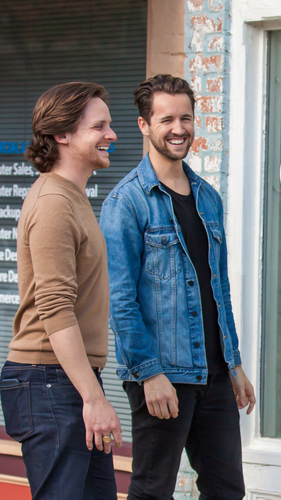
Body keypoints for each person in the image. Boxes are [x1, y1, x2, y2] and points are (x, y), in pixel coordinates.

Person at [100, 74, 254, 500]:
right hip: (163, 373)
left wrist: (234, 362)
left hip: (215, 373)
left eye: (186, 117)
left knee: (227, 491)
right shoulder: (126, 202)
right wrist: (149, 374)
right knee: (153, 491)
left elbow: (216, 288)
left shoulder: (208, 197)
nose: (179, 128)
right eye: (167, 119)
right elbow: (121, 301)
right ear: (145, 125)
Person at [0, 82, 122, 499]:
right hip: (51, 382)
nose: (112, 134)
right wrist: (93, 398)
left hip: (67, 381)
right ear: (62, 135)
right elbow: (55, 308)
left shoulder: (74, 197)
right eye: (99, 126)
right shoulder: (53, 202)